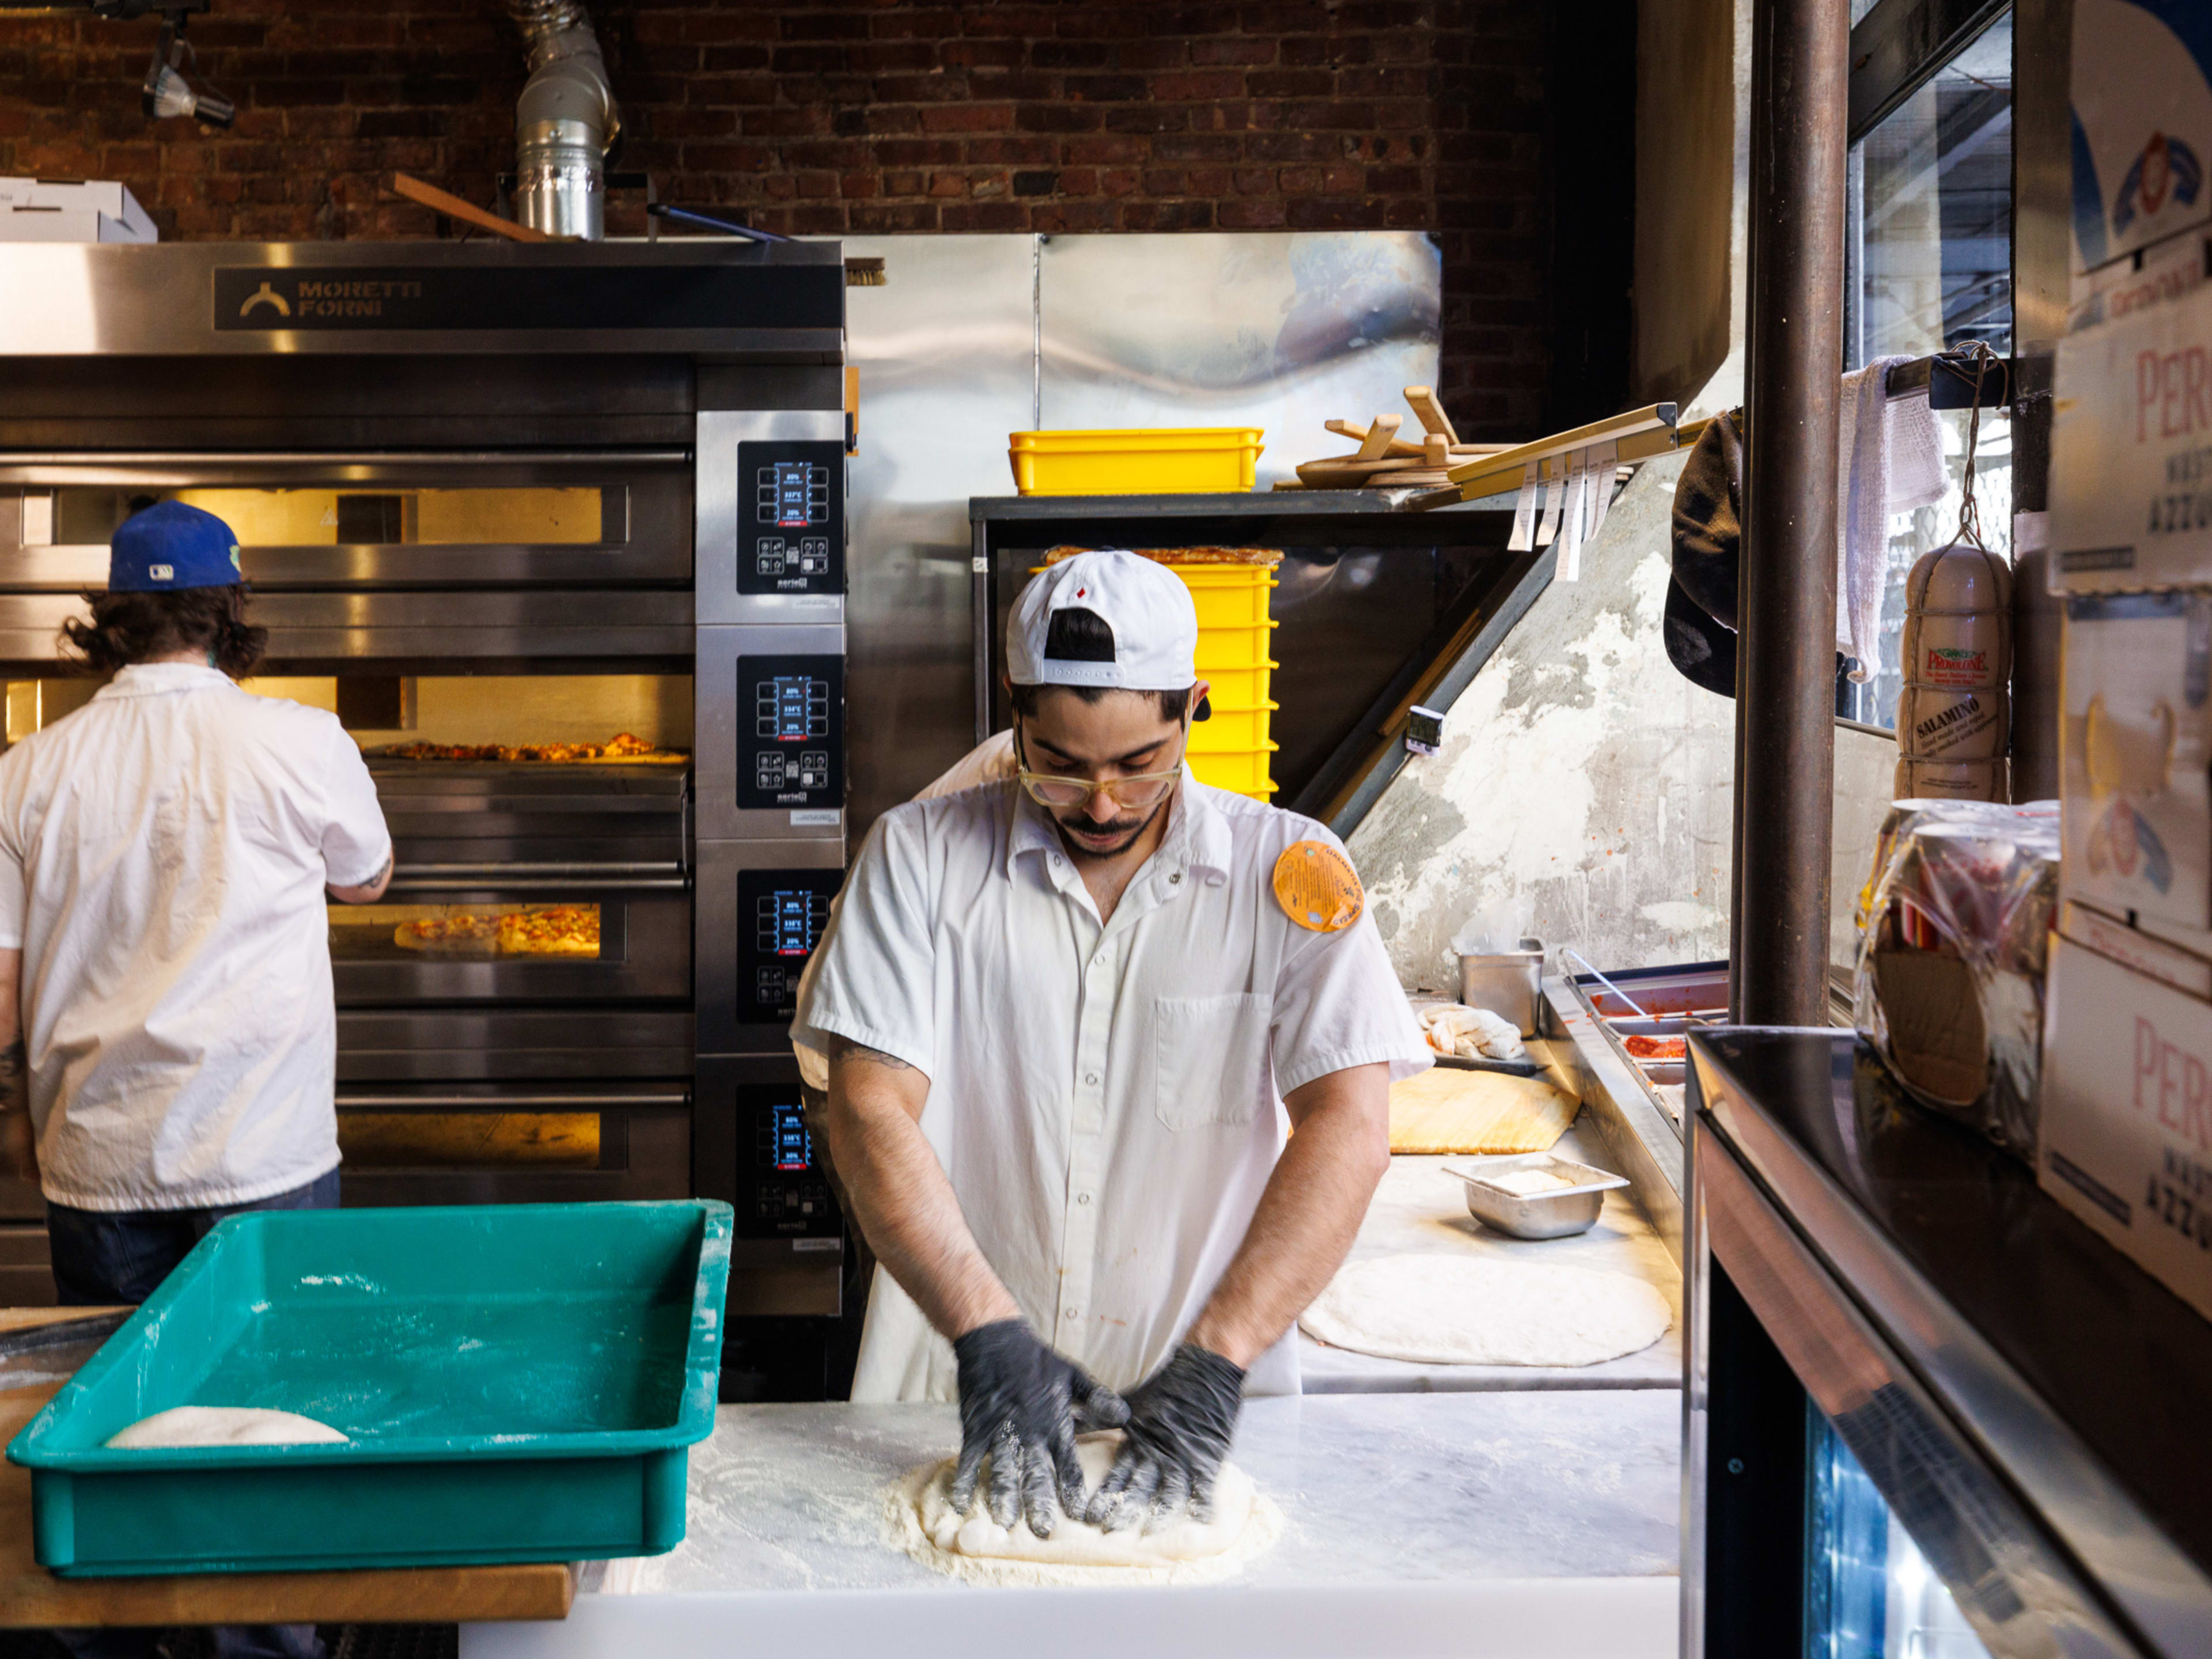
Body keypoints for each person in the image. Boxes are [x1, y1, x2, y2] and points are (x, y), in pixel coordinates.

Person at [796, 549, 1428, 1542]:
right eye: (1059, 763)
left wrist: (1216, 1363)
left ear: (1194, 710)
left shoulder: (1292, 872)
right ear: (1013, 709)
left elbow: (1349, 1124)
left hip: (1206, 1423)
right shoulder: (916, 860)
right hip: (953, 1402)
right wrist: (989, 1337)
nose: (1101, 804)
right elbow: (870, 1106)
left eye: (1139, 764)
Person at [0, 501, 392, 1659]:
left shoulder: (26, 771)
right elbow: (366, 880)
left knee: (123, 1430)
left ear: (111, 623)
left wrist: (12, 1118)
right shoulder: (300, 740)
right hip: (262, 1150)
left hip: (98, 1156)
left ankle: (123, 1638)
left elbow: (2, 985)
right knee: (265, 1430)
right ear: (231, 613)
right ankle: (262, 1646)